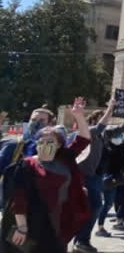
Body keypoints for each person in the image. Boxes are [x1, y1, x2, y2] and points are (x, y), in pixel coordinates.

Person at [2, 97, 92, 253]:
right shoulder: (27, 164)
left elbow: (84, 139)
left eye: (50, 142)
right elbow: (19, 198)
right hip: (32, 222)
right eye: (41, 142)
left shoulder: (65, 159)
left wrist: (78, 116)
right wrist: (21, 227)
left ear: (58, 145)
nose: (44, 145)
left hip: (57, 221)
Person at [73, 98, 119, 253]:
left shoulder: (102, 136)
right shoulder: (92, 131)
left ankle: (80, 240)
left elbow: (123, 128)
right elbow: (102, 124)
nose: (106, 123)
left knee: (91, 207)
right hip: (85, 176)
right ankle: (81, 240)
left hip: (95, 175)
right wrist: (111, 108)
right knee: (95, 206)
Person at [95, 125, 124, 237]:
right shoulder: (106, 148)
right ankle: (100, 228)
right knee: (108, 204)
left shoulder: (119, 146)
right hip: (110, 179)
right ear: (110, 136)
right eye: (117, 135)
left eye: (120, 135)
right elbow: (119, 160)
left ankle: (119, 222)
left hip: (120, 178)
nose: (120, 137)